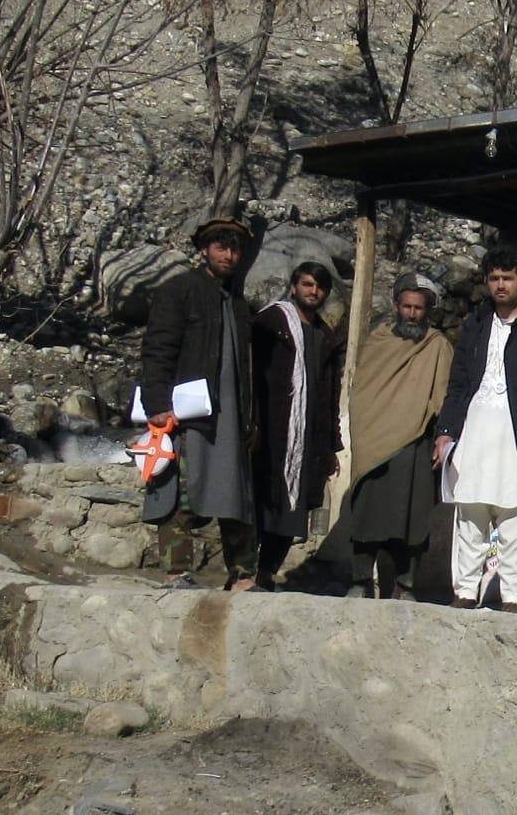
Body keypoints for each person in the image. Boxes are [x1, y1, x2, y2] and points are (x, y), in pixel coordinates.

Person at [432, 248, 517, 612]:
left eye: (507, 278)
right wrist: (446, 430)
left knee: (516, 519)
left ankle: (513, 598)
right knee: (470, 513)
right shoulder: (474, 326)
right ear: (487, 282)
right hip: (475, 432)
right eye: (494, 278)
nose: (501, 285)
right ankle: (465, 591)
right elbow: (458, 383)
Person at [139, 216, 260, 590]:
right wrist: (157, 403)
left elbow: (247, 368)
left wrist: (250, 419)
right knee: (181, 493)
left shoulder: (237, 304)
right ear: (205, 250)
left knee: (237, 494)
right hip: (186, 415)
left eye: (235, 249)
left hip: (231, 417)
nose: (228, 255)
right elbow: (158, 349)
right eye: (221, 247)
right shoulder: (179, 291)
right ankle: (176, 571)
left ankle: (242, 575)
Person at [341, 274, 453, 599]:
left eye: (419, 308)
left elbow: (443, 395)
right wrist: (365, 431)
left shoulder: (437, 346)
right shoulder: (378, 341)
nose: (412, 314)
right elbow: (362, 391)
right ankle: (361, 580)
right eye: (407, 307)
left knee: (412, 517)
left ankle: (405, 585)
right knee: (368, 512)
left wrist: (441, 437)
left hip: (415, 441)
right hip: (374, 443)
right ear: (396, 306)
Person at [250, 260, 343, 588]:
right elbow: (251, 374)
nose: (313, 292)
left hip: (307, 439)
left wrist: (331, 444)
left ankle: (266, 574)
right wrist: (251, 423)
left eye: (319, 287)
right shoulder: (271, 322)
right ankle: (242, 573)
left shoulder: (325, 335)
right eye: (307, 284)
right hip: (270, 431)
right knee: (260, 501)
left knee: (293, 511)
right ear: (294, 287)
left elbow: (330, 393)